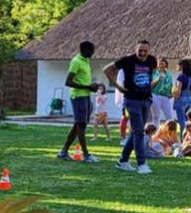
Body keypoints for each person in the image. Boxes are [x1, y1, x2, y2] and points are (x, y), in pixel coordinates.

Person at [104, 39, 158, 175]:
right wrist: (118, 87)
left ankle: (123, 161)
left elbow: (151, 76)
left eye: (145, 50)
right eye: (140, 50)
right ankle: (141, 163)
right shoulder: (127, 60)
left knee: (136, 132)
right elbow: (107, 70)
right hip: (132, 100)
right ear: (136, 49)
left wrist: (150, 89)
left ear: (149, 50)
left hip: (146, 100)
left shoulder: (152, 60)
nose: (142, 53)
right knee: (139, 132)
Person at [59, 40, 101, 162]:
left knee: (78, 125)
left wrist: (91, 86)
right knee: (81, 125)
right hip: (78, 97)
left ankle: (63, 152)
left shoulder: (86, 60)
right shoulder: (76, 62)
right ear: (84, 50)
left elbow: (82, 80)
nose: (93, 53)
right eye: (91, 51)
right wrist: (88, 87)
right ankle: (86, 155)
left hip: (85, 96)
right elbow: (68, 82)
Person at [173, 58, 191, 134]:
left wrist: (174, 101)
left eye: (180, 64)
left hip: (181, 99)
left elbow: (178, 91)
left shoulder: (181, 77)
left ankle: (182, 140)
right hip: (190, 100)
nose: (178, 66)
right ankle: (189, 138)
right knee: (188, 122)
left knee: (182, 123)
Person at [151, 58, 175, 124]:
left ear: (166, 65)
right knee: (156, 116)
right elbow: (150, 86)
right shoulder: (153, 73)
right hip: (155, 96)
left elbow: (170, 86)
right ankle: (155, 133)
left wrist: (172, 93)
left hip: (166, 97)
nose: (160, 65)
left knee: (169, 117)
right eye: (159, 64)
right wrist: (158, 79)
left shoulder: (169, 75)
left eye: (162, 64)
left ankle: (170, 132)